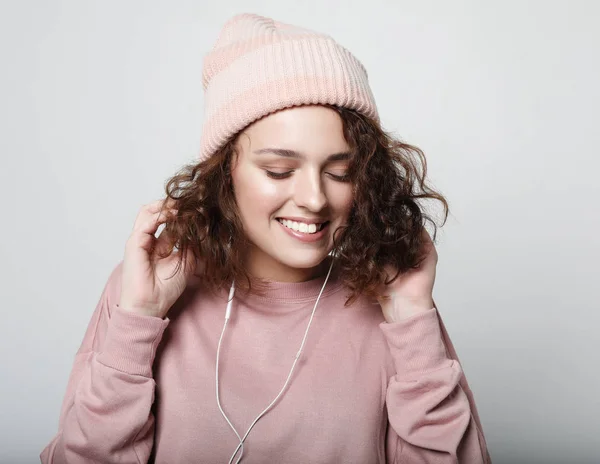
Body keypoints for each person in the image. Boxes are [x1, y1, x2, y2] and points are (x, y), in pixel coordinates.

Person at [40, 13, 492, 464]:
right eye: (279, 170)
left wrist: (413, 318)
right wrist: (137, 321)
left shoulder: (391, 304)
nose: (315, 199)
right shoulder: (143, 291)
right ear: (225, 172)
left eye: (340, 172)